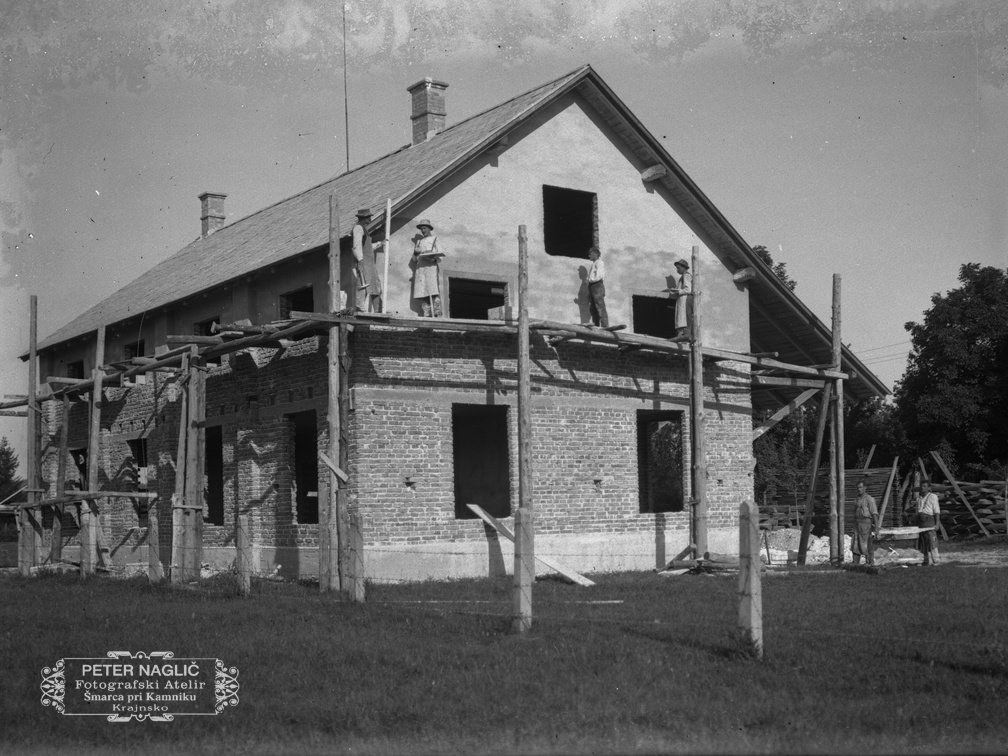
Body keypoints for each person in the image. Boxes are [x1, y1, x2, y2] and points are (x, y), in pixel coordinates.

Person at [411, 219, 444, 317]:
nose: (423, 231)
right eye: (421, 229)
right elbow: (414, 259)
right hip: (421, 268)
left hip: (431, 267)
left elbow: (440, 255)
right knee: (423, 290)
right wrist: (416, 253)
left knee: (433, 289)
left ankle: (437, 313)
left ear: (429, 229)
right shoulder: (419, 242)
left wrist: (433, 259)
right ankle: (427, 313)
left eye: (425, 228)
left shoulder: (435, 239)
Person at [352, 208, 382, 312]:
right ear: (364, 218)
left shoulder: (364, 229)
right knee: (363, 283)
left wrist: (379, 244)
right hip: (363, 261)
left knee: (374, 284)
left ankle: (378, 310)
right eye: (368, 217)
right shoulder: (358, 228)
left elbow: (367, 247)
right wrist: (360, 260)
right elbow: (356, 246)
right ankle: (360, 307)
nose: (370, 219)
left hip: (369, 261)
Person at [851, 480, 879, 566]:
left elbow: (874, 513)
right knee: (855, 542)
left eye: (860, 487)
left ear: (865, 488)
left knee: (867, 543)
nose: (858, 489)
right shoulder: (856, 500)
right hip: (857, 523)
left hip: (866, 524)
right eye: (857, 488)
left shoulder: (869, 499)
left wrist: (877, 527)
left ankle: (869, 562)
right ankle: (856, 562)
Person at [916, 480, 941, 566]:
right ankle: (927, 561)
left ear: (929, 488)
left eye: (924, 486)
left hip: (929, 519)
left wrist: (937, 523)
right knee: (923, 541)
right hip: (921, 521)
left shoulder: (933, 497)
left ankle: (936, 560)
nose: (922, 488)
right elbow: (917, 511)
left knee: (931, 540)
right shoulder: (919, 498)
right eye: (921, 486)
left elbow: (936, 511)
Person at [585, 246, 608, 328]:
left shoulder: (599, 262)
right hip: (592, 287)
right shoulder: (593, 264)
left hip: (597, 286)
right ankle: (596, 325)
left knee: (600, 306)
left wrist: (590, 280)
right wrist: (589, 292)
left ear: (594, 254)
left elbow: (599, 276)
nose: (589, 256)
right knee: (593, 308)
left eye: (590, 254)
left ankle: (605, 326)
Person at [670, 258, 691, 341]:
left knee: (683, 319)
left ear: (683, 267)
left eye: (678, 268)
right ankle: (680, 335)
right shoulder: (682, 277)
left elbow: (688, 289)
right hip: (681, 300)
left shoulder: (686, 275)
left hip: (685, 300)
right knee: (680, 319)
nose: (677, 270)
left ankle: (683, 336)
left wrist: (678, 292)